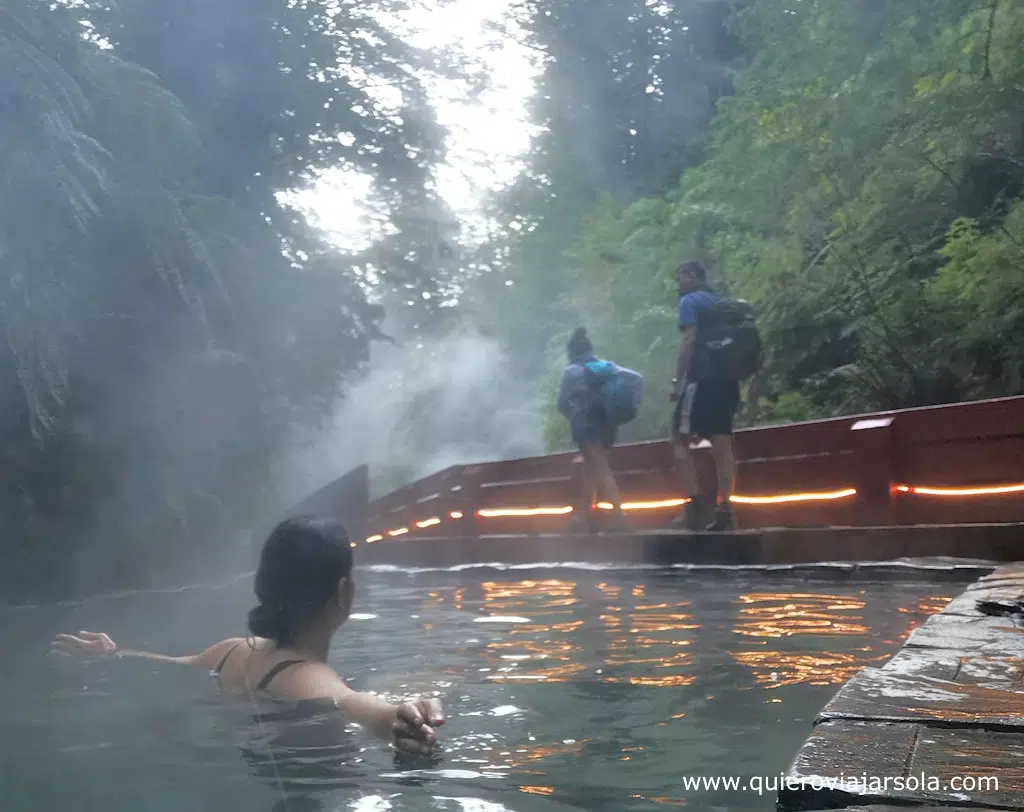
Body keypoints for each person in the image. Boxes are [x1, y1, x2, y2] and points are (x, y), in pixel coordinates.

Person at [49, 516, 444, 755]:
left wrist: (115, 654)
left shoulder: (229, 652)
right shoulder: (316, 681)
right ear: (344, 593)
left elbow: (169, 665)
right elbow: (360, 707)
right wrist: (401, 715)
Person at [668, 261, 740, 531]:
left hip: (702, 379)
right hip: (728, 381)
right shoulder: (722, 303)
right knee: (722, 444)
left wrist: (677, 382)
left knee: (678, 439)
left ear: (694, 277)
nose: (678, 285)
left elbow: (688, 340)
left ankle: (694, 507)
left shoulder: (690, 302)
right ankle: (725, 510)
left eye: (680, 278)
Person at [557, 326, 628, 533]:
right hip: (609, 425)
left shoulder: (571, 372)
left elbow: (562, 403)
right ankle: (581, 518)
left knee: (601, 469)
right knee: (592, 470)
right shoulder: (604, 367)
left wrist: (574, 415)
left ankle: (620, 517)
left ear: (572, 352)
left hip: (587, 426)